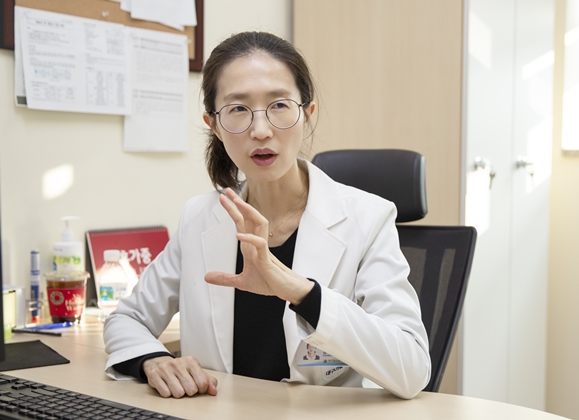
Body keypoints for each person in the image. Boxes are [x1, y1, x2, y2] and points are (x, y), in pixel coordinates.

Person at [103, 31, 431, 400]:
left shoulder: (369, 220)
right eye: (238, 109)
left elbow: (411, 368)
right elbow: (126, 319)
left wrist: (300, 291)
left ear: (306, 113)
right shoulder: (199, 218)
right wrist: (153, 360)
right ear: (213, 124)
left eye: (279, 105)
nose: (260, 130)